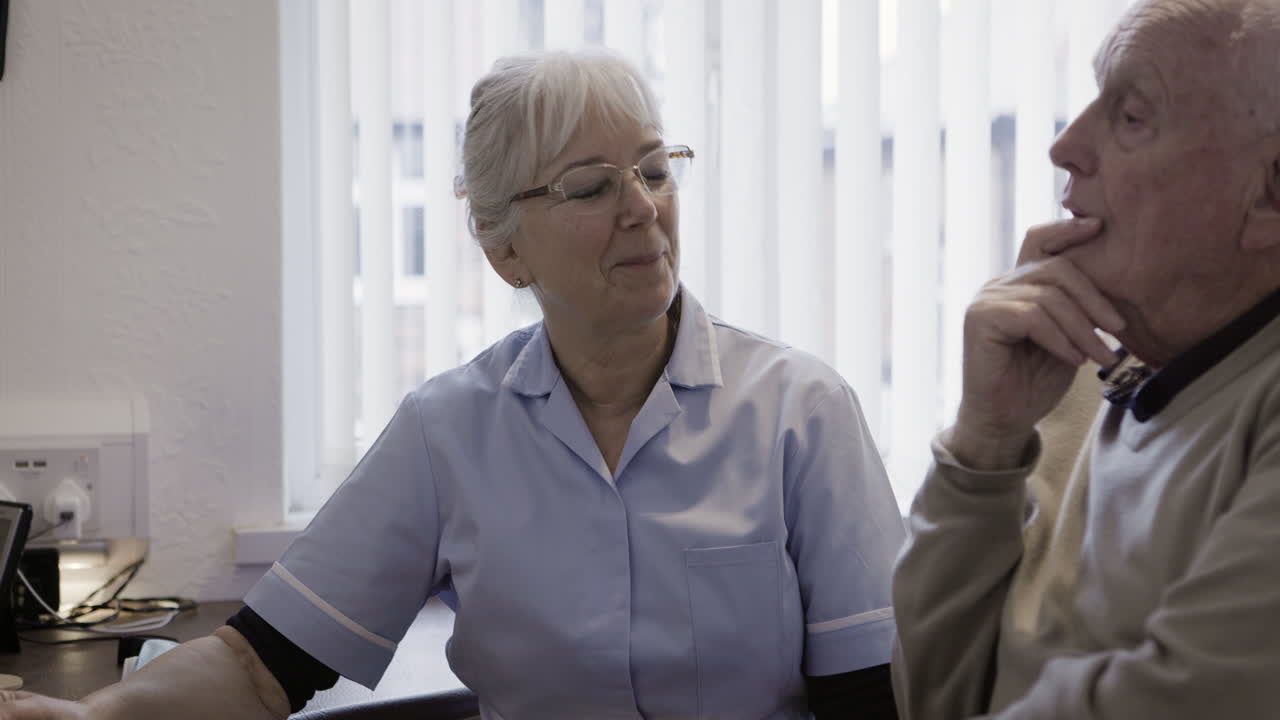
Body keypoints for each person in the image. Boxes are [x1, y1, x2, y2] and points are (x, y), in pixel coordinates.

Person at [0, 50, 905, 719]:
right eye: (591, 188)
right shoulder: (450, 430)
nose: (643, 207)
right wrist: (91, 715)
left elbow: (872, 699)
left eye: (657, 170)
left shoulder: (801, 414)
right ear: (505, 249)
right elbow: (261, 665)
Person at [891, 0, 1280, 717]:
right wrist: (986, 438)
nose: (1064, 145)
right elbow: (938, 698)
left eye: (1131, 116)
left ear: (1270, 193)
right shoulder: (1070, 373)